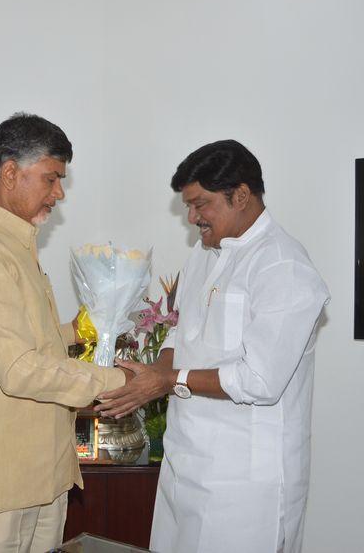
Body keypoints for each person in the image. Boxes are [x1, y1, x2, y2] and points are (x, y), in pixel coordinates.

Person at [97, 140, 330, 553]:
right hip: (184, 466)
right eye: (188, 206)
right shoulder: (204, 252)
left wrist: (167, 381)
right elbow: (179, 330)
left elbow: (260, 380)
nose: (191, 218)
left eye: (200, 204)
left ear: (241, 195)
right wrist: (153, 376)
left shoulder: (284, 267)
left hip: (244, 487)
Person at [0, 113, 130, 553]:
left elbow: (23, 342)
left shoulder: (11, 242)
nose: (58, 193)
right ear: (9, 172)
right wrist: (119, 382)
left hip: (40, 474)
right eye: (51, 178)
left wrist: (78, 331)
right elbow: (18, 368)